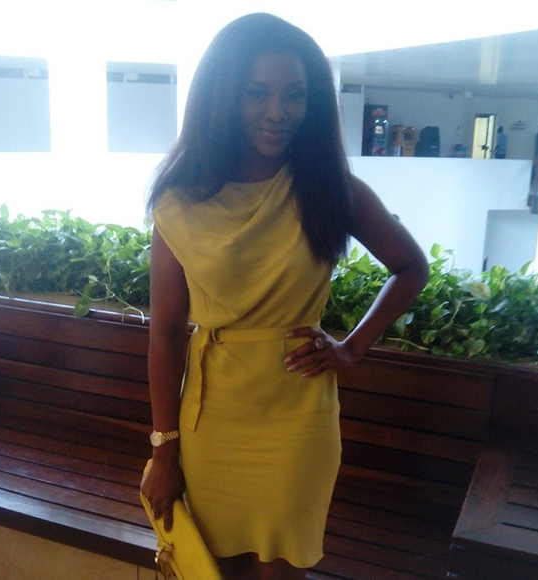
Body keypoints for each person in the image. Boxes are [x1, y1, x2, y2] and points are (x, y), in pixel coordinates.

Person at [140, 13, 428, 580]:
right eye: (257, 93)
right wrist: (163, 450)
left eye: (295, 94)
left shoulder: (329, 188)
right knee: (212, 571)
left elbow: (410, 266)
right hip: (211, 419)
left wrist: (350, 348)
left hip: (297, 421)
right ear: (224, 96)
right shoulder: (180, 200)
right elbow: (167, 333)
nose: (279, 111)